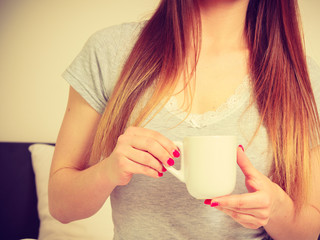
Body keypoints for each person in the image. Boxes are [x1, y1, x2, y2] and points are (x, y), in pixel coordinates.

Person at [48, 0, 320, 239]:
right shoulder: (108, 53)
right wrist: (108, 171)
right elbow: (60, 206)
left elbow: (308, 233)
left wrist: (276, 209)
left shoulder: (304, 77)